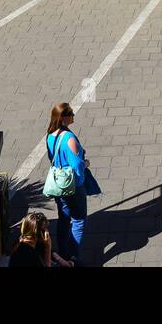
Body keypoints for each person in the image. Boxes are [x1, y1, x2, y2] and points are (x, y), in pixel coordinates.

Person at [44, 103, 101, 265]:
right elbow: (77, 166)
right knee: (79, 220)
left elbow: (52, 157)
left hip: (58, 184)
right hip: (73, 186)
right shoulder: (69, 139)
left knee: (63, 218)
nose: (73, 116)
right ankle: (73, 257)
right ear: (63, 118)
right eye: (71, 114)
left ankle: (63, 252)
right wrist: (86, 163)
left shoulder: (50, 135)